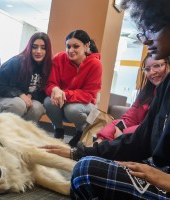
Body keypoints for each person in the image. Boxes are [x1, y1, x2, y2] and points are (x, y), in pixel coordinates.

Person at [43, 0, 170, 198]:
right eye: (148, 68)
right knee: (86, 166)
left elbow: (89, 94)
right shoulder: (165, 87)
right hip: (154, 164)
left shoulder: (95, 65)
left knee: (85, 173)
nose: (146, 41)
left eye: (152, 29)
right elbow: (140, 137)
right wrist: (79, 152)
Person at [44, 30, 102, 146]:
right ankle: (58, 130)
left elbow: (88, 94)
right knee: (48, 101)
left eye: (76, 46)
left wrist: (64, 94)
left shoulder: (95, 64)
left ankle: (81, 132)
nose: (70, 50)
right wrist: (54, 89)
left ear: (86, 46)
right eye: (68, 46)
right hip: (64, 101)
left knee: (72, 109)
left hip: (86, 104)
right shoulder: (59, 58)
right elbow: (50, 83)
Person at [95, 55, 169, 143]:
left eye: (157, 66)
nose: (152, 72)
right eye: (147, 69)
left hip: (155, 147)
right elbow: (128, 119)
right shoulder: (145, 94)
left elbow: (155, 128)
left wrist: (125, 133)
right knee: (96, 147)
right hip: (135, 141)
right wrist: (102, 138)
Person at [0, 32, 52, 122]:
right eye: (34, 47)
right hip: (1, 98)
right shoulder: (16, 62)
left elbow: (43, 92)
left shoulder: (48, 67)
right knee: (19, 104)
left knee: (38, 107)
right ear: (29, 48)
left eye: (43, 48)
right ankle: (4, 131)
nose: (38, 51)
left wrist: (31, 95)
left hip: (27, 100)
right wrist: (20, 94)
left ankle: (21, 132)